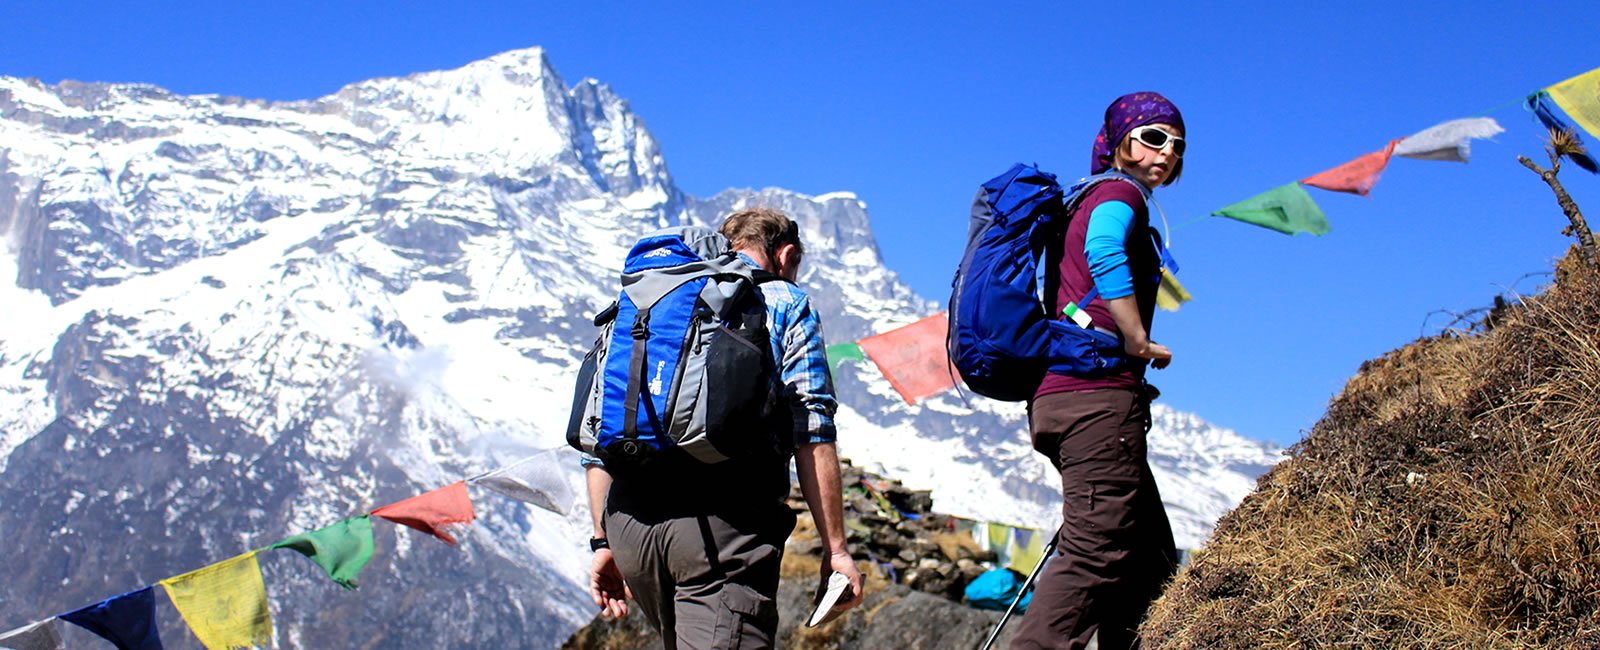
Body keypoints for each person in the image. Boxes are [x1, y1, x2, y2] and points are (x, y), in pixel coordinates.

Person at [584, 207, 864, 649]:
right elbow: (811, 426)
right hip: (721, 532)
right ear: (785, 255)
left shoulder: (649, 302)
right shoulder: (785, 302)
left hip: (630, 527)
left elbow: (598, 435)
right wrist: (836, 550)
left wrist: (602, 540)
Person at [1011, 92, 1185, 650]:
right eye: (1154, 137)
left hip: (1064, 393)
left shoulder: (1081, 198)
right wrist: (1137, 337)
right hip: (1096, 394)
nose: (1167, 153)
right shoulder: (1119, 193)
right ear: (1119, 142)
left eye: (1178, 145)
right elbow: (1105, 245)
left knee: (1147, 554)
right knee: (1098, 551)